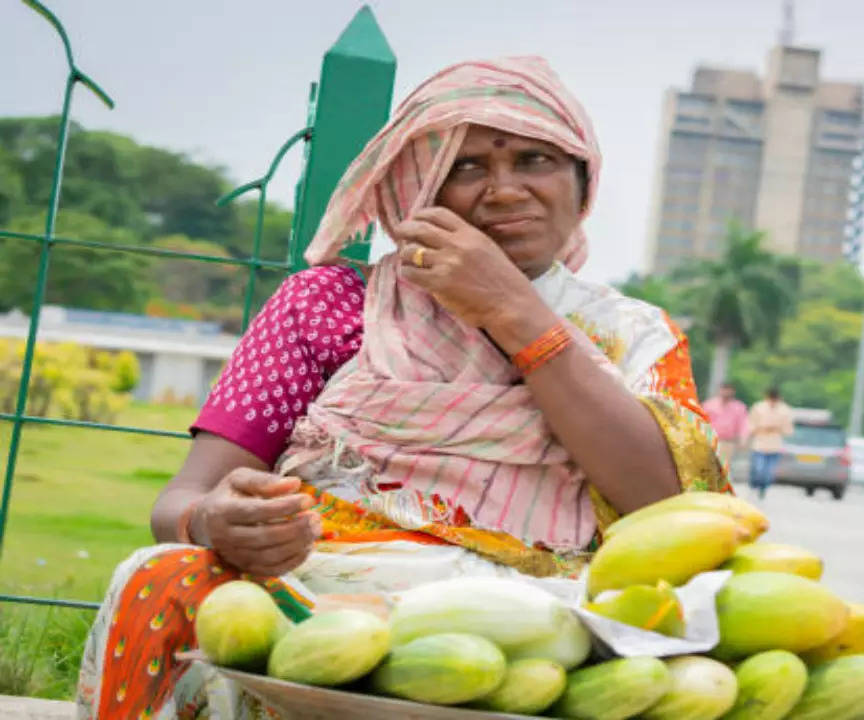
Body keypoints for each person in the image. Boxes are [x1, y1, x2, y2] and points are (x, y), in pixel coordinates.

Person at [77, 57, 728, 720]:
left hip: (530, 621)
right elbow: (180, 500)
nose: (505, 191)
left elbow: (668, 503)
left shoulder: (633, 333)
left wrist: (516, 314)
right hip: (310, 598)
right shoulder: (327, 304)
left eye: (535, 160)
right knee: (161, 579)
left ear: (580, 179)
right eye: (464, 166)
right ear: (415, 191)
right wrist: (214, 521)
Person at [746, 387, 793, 499]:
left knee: (768, 473)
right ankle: (754, 485)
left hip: (774, 446)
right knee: (758, 469)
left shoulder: (785, 410)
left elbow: (788, 430)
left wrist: (776, 428)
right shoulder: (759, 407)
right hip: (759, 444)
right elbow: (750, 424)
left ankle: (763, 489)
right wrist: (760, 428)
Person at [704, 381, 749, 460]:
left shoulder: (739, 407)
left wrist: (743, 439)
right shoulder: (709, 405)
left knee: (723, 468)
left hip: (728, 443)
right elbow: (703, 421)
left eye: (728, 390)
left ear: (733, 391)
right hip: (710, 441)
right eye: (724, 389)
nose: (726, 392)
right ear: (720, 390)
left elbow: (743, 425)